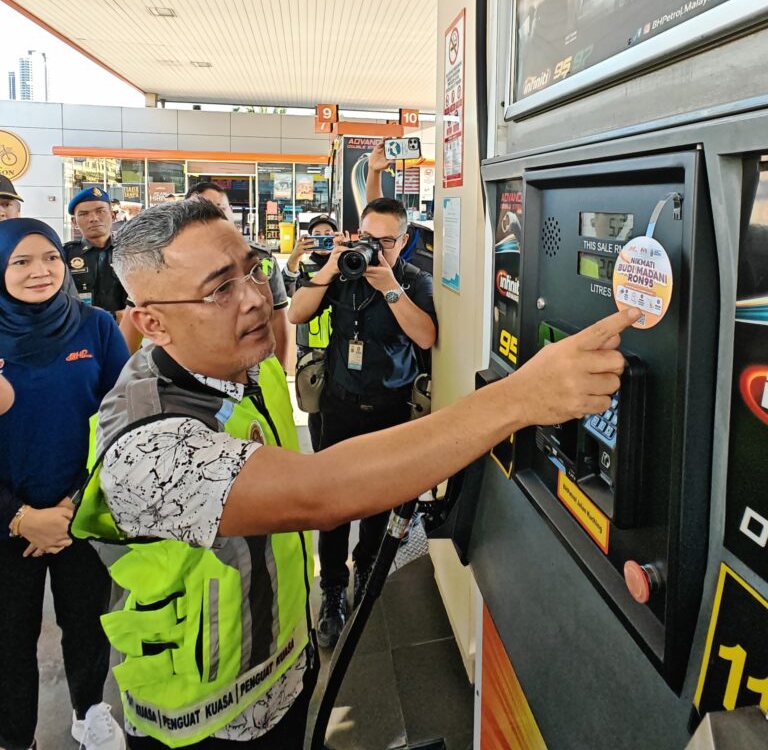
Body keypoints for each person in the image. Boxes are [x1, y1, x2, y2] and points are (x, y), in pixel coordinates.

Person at [70, 199, 636, 748]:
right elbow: (321, 492)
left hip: (286, 675)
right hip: (206, 724)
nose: (254, 297)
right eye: (220, 289)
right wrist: (522, 396)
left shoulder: (245, 368)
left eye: (253, 269)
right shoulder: (148, 444)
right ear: (152, 322)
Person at [0, 218, 129, 750]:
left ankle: (89, 708)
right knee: (9, 638)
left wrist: (74, 506)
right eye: (21, 262)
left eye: (50, 258)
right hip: (9, 522)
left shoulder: (95, 326)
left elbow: (124, 421)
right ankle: (15, 736)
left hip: (80, 512)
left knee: (88, 621)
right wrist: (18, 516)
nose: (41, 271)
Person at [289, 197, 438, 646]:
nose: (374, 248)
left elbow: (426, 336)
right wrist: (331, 266)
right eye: (368, 238)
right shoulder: (343, 275)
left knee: (378, 500)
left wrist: (391, 287)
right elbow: (296, 313)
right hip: (338, 404)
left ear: (405, 240)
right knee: (331, 504)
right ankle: (332, 588)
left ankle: (367, 567)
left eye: (386, 241)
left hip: (390, 409)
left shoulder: (414, 281)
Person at [185, 180, 291, 368]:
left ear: (231, 211)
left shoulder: (261, 258)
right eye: (200, 211)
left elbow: (277, 318)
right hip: (200, 369)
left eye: (219, 208)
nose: (212, 217)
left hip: (256, 369)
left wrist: (279, 368)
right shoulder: (174, 264)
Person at [282, 214, 337, 447]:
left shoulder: (346, 261)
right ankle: (319, 452)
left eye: (329, 235)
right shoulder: (304, 264)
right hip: (310, 349)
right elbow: (288, 288)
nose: (324, 240)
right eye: (318, 235)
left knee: (338, 404)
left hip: (340, 344)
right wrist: (295, 257)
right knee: (314, 405)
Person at [64, 187, 129, 318]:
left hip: (125, 330)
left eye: (100, 211)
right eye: (84, 214)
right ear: (74, 222)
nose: (93, 218)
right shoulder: (64, 255)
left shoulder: (131, 252)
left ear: (113, 215)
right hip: (80, 329)